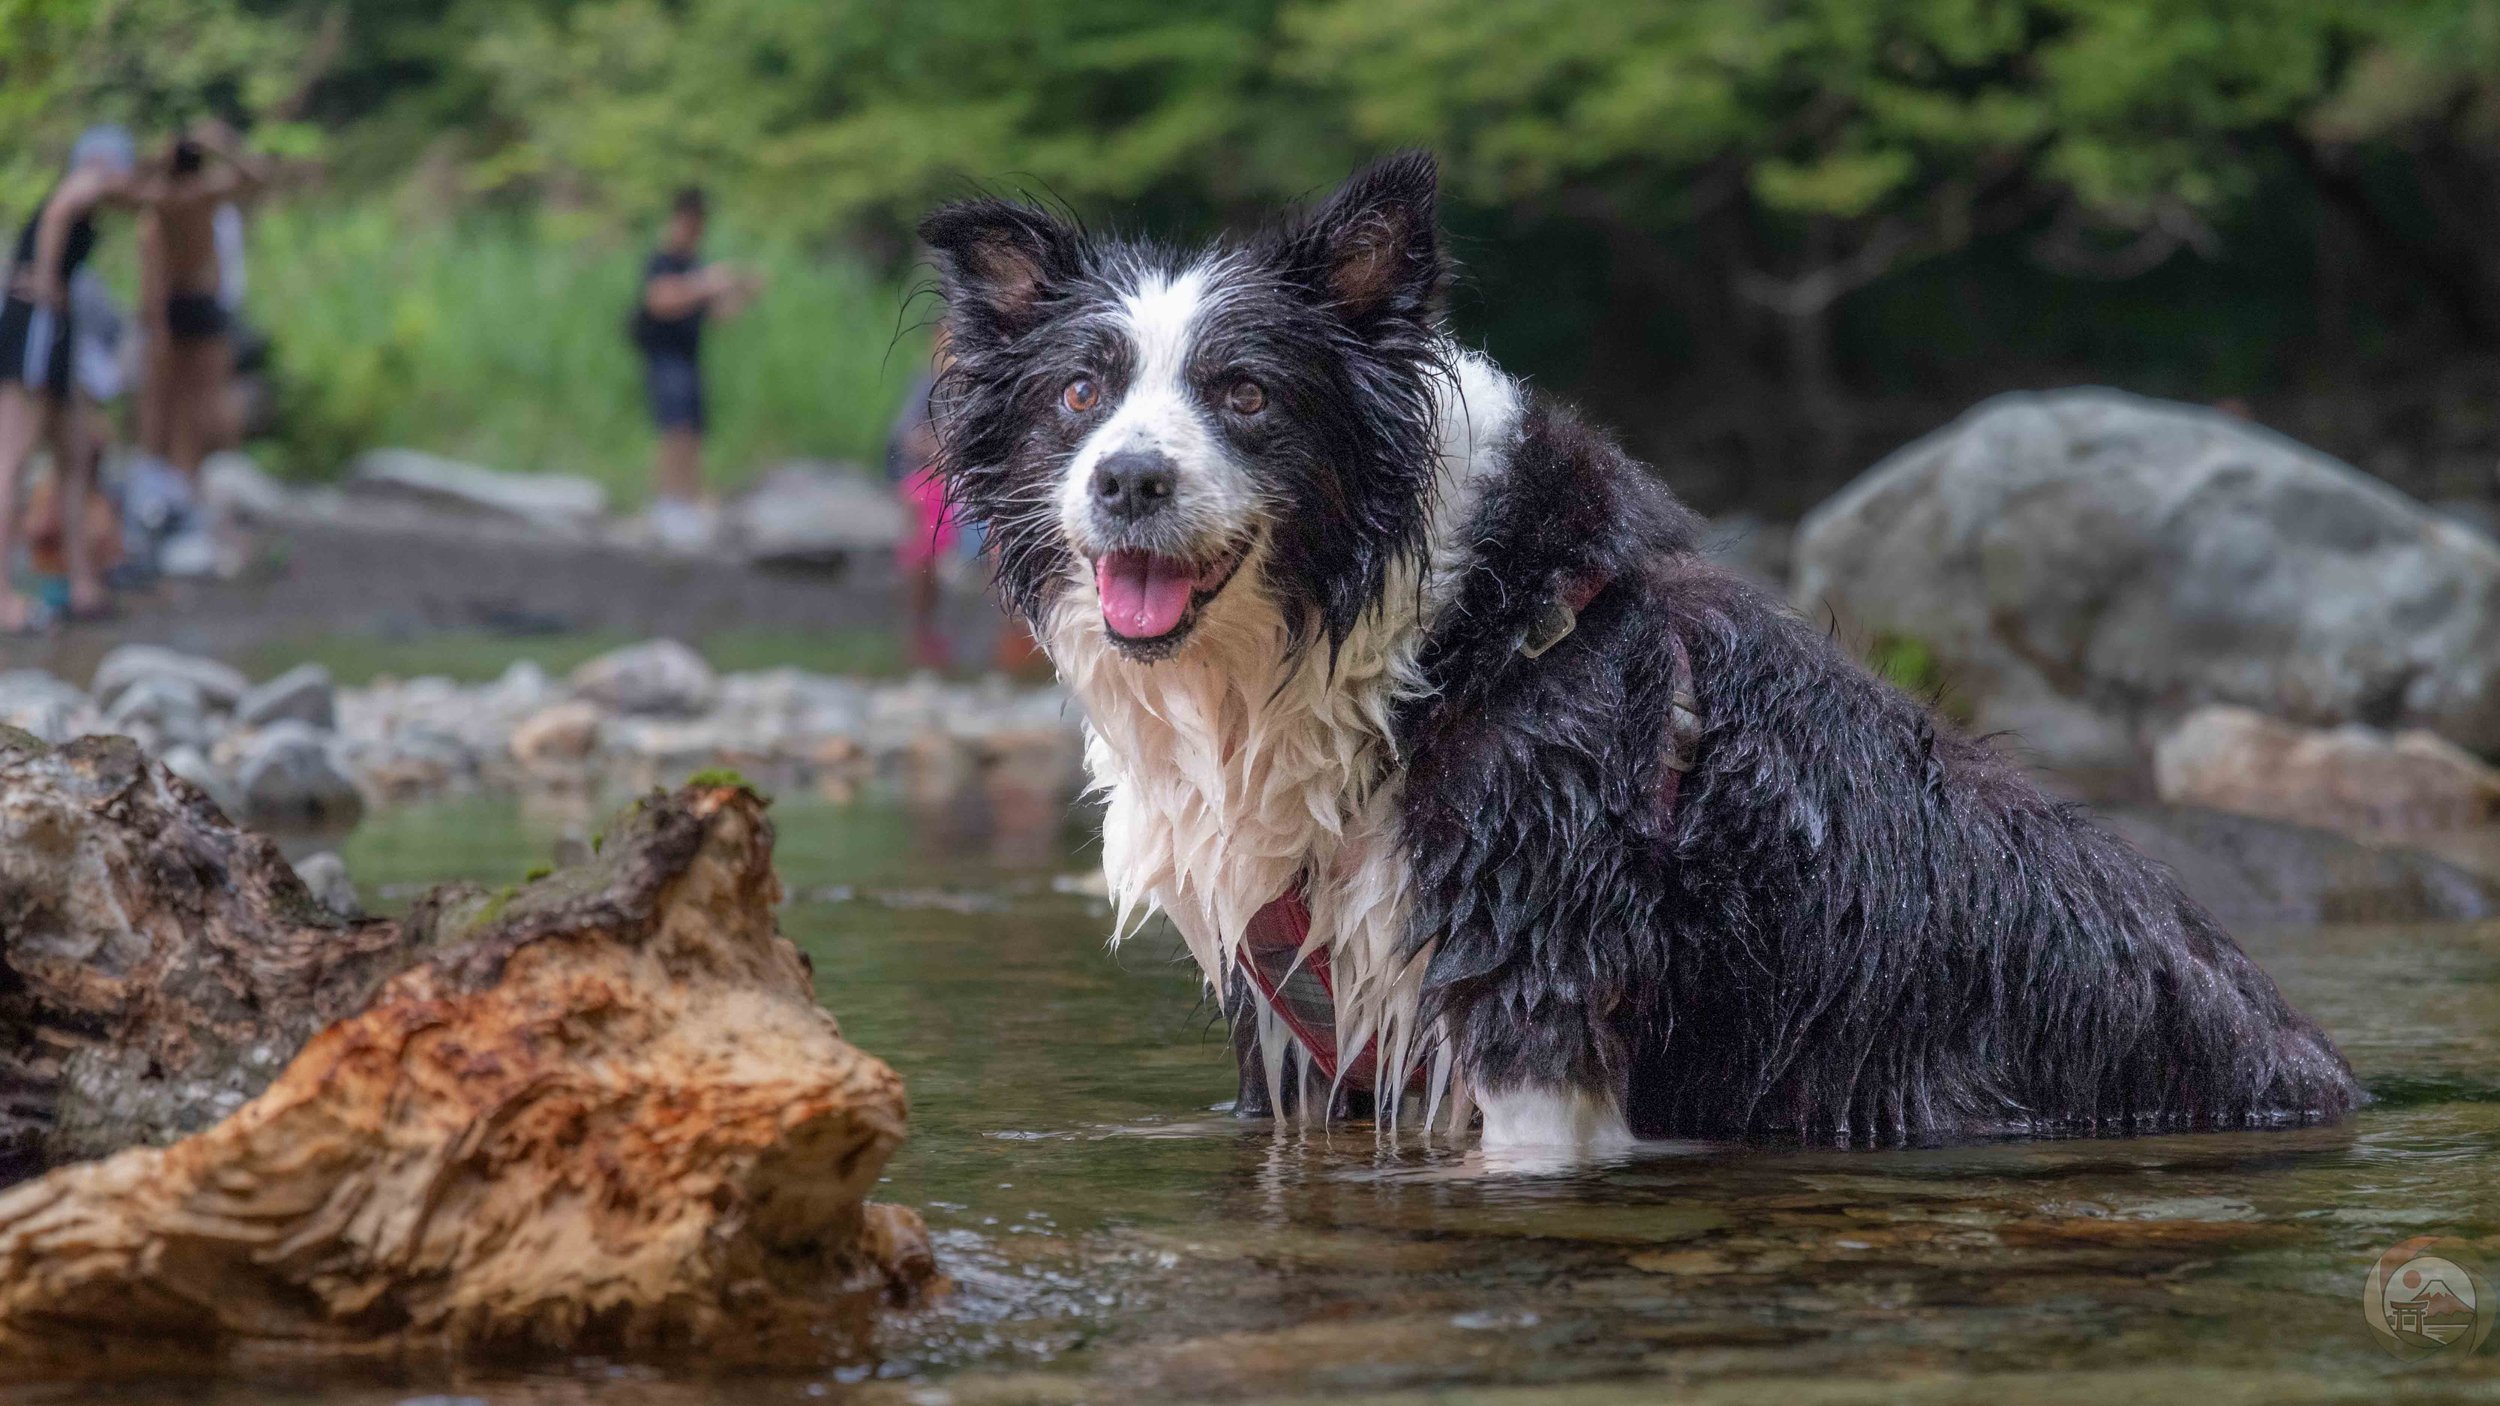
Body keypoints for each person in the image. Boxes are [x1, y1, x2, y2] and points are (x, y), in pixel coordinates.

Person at [0, 125, 145, 631]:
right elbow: (63, 206)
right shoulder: (88, 183)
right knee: (13, 459)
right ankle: (2, 597)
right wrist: (44, 282)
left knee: (76, 454)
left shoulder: (99, 198)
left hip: (53, 326)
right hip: (36, 323)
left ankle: (83, 584)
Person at [629, 187, 764, 551]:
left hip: (689, 357)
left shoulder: (693, 263)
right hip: (664, 356)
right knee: (674, 429)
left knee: (692, 429)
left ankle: (685, 501)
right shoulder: (664, 259)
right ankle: (667, 502)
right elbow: (659, 300)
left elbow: (719, 317)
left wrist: (742, 292)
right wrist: (708, 283)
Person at [137, 120, 266, 485]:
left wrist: (163, 158)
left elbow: (131, 185)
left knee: (183, 405)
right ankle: (198, 477)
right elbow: (255, 178)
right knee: (203, 400)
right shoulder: (204, 195)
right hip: (201, 303)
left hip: (176, 307)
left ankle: (187, 477)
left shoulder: (161, 201)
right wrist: (222, 144)